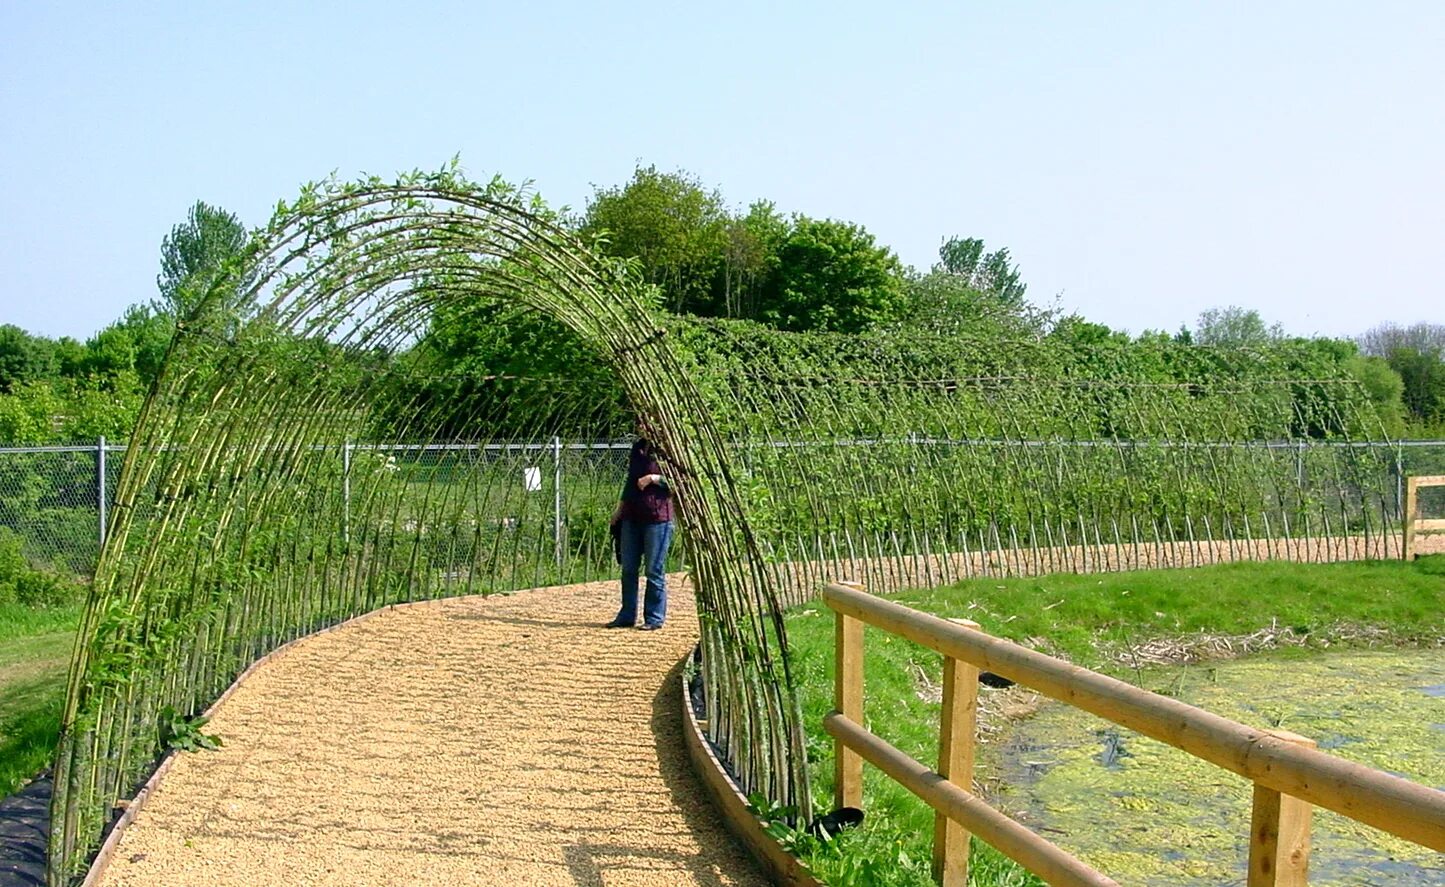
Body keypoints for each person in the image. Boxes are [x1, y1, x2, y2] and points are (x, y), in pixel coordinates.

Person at [606, 438, 674, 630]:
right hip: (632, 516)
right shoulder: (637, 448)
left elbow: (682, 482)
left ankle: (654, 617)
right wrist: (619, 511)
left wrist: (655, 478)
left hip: (658, 517)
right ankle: (627, 615)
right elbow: (630, 481)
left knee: (653, 570)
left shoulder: (669, 446)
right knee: (628, 568)